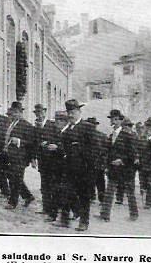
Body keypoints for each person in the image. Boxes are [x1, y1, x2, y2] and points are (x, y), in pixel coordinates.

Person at [59, 99, 96, 231]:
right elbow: (63, 148)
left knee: (84, 195)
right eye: (69, 112)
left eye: (73, 112)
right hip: (68, 168)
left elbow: (95, 149)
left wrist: (78, 148)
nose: (70, 115)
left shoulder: (88, 127)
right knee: (65, 192)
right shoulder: (66, 130)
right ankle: (64, 220)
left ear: (79, 112)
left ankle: (84, 222)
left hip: (84, 169)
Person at [100, 109, 139, 221]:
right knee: (110, 191)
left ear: (121, 121)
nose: (114, 121)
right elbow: (107, 151)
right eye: (112, 119)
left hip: (126, 169)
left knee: (130, 192)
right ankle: (105, 215)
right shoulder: (111, 135)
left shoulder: (127, 136)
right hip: (113, 168)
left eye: (116, 119)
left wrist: (122, 160)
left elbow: (132, 154)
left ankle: (134, 214)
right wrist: (108, 162)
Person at [34, 106, 66, 220]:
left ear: (45, 112)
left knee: (54, 187)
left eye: (40, 112)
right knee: (45, 186)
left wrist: (48, 143)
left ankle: (56, 211)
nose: (38, 114)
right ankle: (46, 208)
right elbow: (35, 142)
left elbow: (58, 142)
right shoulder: (36, 126)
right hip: (43, 161)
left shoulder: (52, 125)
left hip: (54, 162)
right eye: (36, 113)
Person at [1, 102, 35, 210]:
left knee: (15, 179)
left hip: (21, 157)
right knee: (13, 177)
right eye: (13, 112)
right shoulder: (11, 124)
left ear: (21, 113)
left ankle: (12, 202)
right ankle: (28, 196)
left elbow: (32, 142)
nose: (14, 114)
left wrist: (19, 141)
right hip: (9, 156)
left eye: (16, 112)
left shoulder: (27, 125)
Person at [86, 115, 108, 204]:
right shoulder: (85, 136)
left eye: (93, 124)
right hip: (90, 162)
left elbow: (106, 149)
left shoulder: (102, 136)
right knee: (91, 179)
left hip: (98, 161)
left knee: (99, 180)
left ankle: (100, 197)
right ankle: (93, 196)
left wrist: (103, 160)